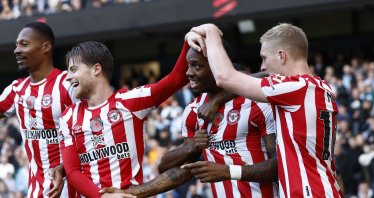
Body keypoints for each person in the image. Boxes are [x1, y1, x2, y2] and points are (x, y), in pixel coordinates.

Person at [101, 41, 278, 198]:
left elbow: (279, 165)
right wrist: (134, 192)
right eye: (188, 66)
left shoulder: (257, 101)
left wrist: (228, 172)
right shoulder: (193, 111)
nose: (188, 73)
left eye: (196, 66)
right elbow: (183, 170)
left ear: (218, 66)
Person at [185, 23, 343, 197]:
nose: (262, 67)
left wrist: (211, 31)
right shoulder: (320, 87)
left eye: (264, 58)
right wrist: (219, 98)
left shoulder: (296, 88)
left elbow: (225, 78)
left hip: (308, 192)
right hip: (324, 187)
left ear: (281, 56)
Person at [59, 41, 189, 198]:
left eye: (73, 69)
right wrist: (102, 197)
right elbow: (72, 172)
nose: (67, 77)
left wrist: (189, 42)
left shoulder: (129, 101)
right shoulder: (68, 117)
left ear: (96, 69)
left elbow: (177, 78)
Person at [0, 22, 76, 198]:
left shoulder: (68, 84)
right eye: (16, 45)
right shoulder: (17, 90)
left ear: (46, 47)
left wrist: (64, 167)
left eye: (24, 44)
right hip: (37, 191)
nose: (16, 50)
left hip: (72, 190)